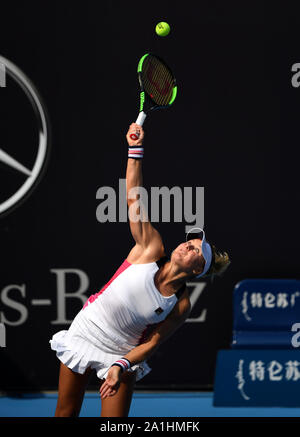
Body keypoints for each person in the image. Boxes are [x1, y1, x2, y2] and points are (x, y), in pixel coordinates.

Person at [50, 123, 230, 417]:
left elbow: (152, 343)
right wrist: (135, 150)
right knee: (65, 413)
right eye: (190, 242)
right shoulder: (150, 248)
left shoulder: (180, 305)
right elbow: (134, 197)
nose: (187, 246)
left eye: (196, 250)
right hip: (86, 331)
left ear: (198, 269)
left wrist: (121, 365)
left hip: (121, 354)